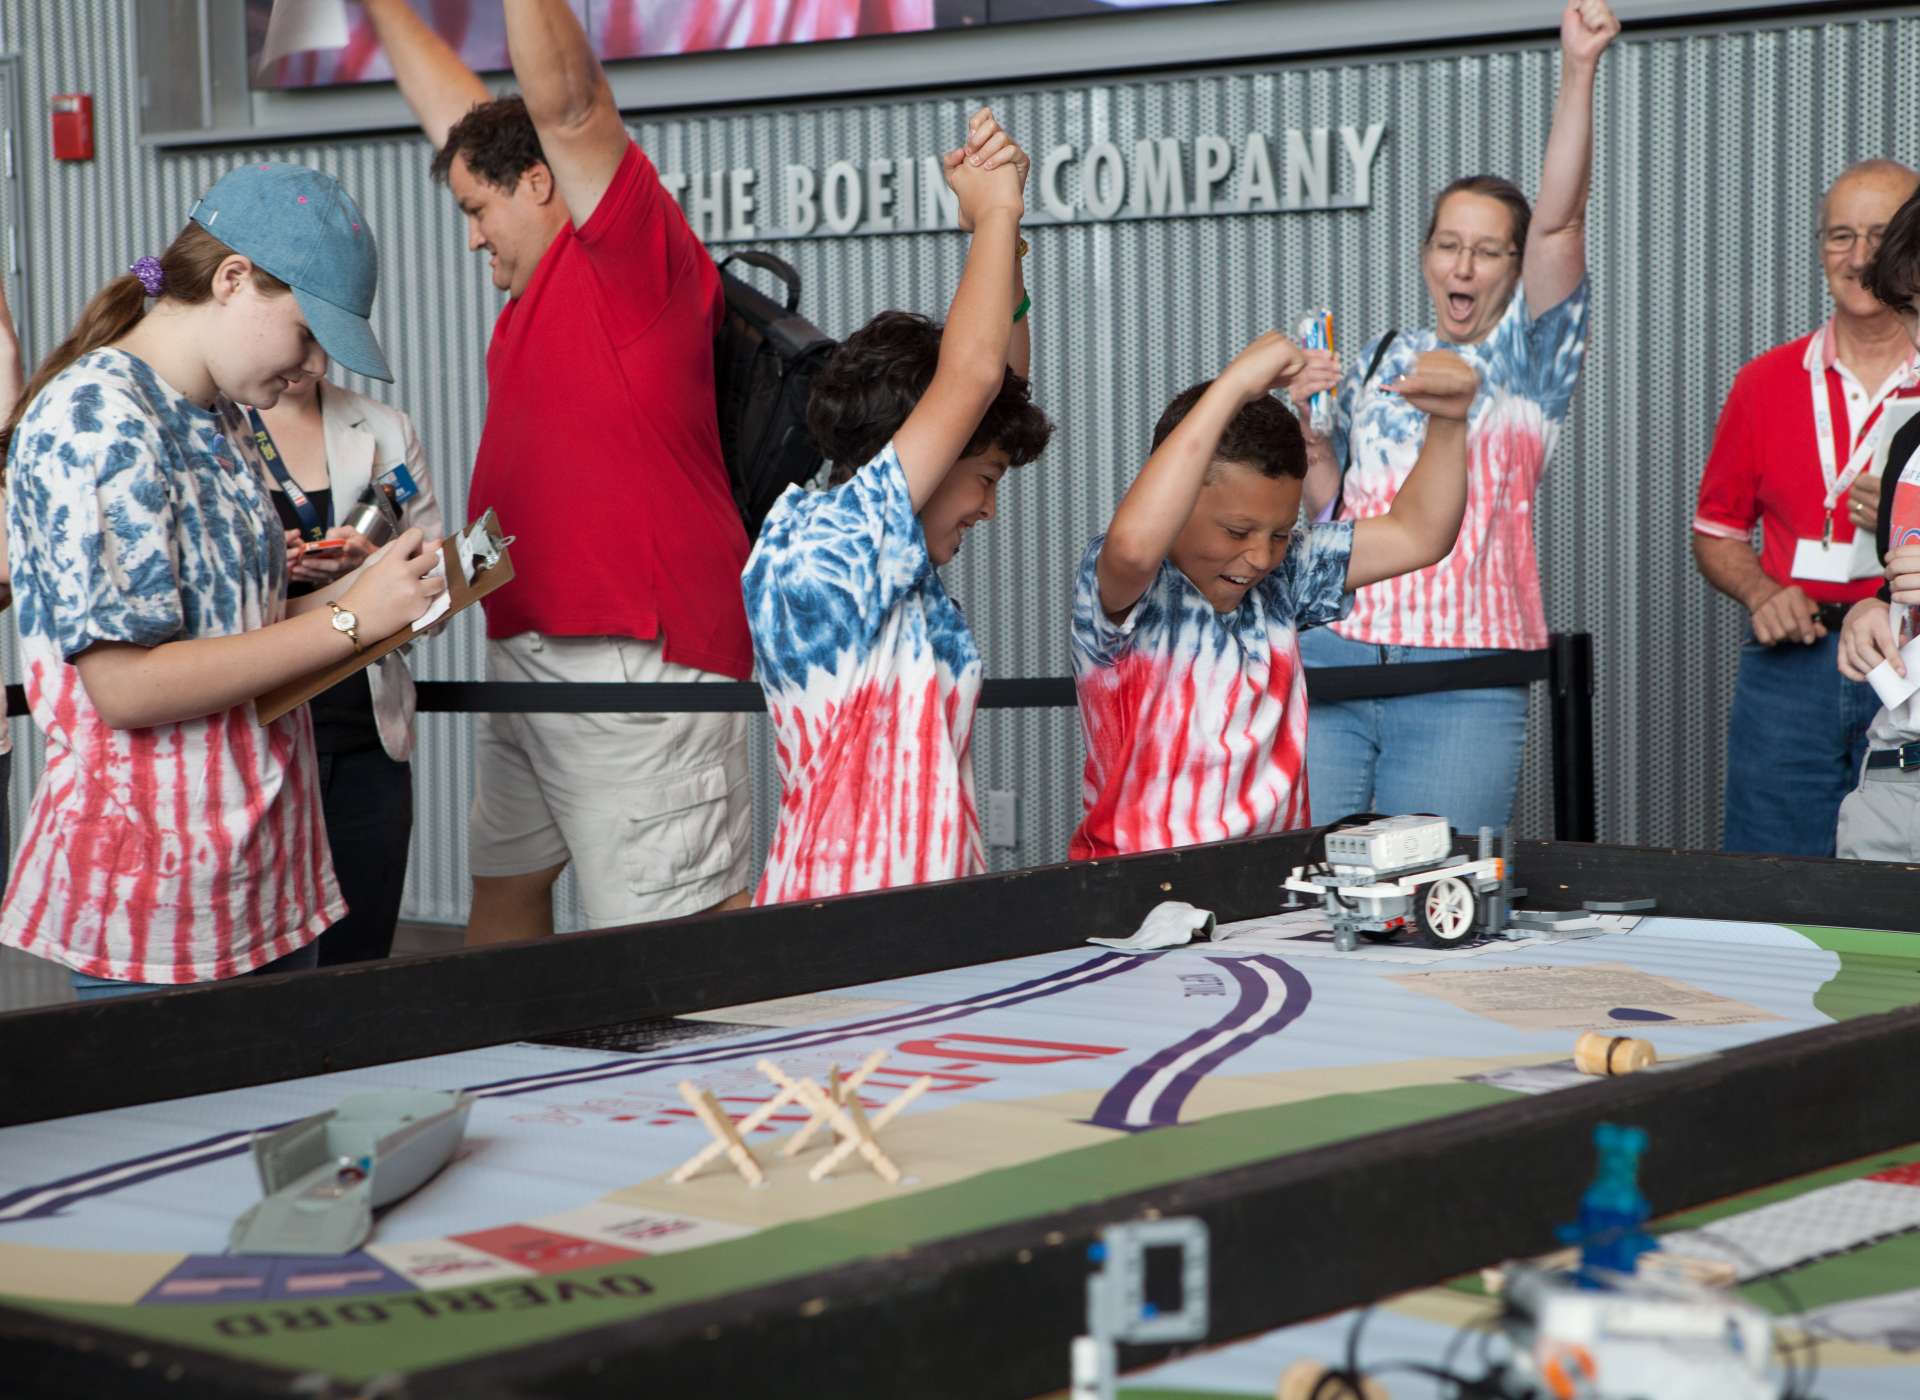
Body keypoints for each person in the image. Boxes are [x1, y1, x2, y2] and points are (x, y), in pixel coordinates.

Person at [360, 0, 756, 940]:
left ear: (539, 182)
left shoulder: (625, 261)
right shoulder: (534, 295)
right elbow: (465, 122)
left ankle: (708, 1092)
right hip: (527, 644)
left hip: (635, 660)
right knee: (502, 891)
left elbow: (571, 107)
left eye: (477, 210)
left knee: (670, 932)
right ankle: (513, 1087)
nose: (471, 237)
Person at [0, 163, 444, 998]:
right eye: (308, 334)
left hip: (265, 872)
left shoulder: (225, 416)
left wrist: (367, 596)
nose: (311, 367)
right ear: (233, 279)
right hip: (158, 899)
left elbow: (238, 624)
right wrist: (347, 622)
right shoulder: (96, 418)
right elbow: (126, 686)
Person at [1296, 0, 1617, 834]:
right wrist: (1307, 442)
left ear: (1515, 266)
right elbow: (1333, 512)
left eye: (1487, 248)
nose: (1463, 264)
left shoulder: (1531, 361)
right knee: (1297, 895)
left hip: (1461, 674)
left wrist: (1578, 68)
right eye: (1448, 243)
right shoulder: (1377, 355)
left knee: (1434, 900)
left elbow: (1561, 221)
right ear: (1425, 254)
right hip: (1331, 656)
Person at [743, 110, 1050, 904]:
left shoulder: (891, 562)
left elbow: (995, 383)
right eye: (983, 477)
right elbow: (974, 378)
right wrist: (995, 211)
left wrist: (1004, 246)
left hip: (933, 930)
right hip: (842, 943)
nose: (987, 508)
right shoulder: (825, 543)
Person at [1071, 337, 1479, 859]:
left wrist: (1451, 423)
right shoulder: (1126, 586)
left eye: (1281, 532)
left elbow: (1419, 534)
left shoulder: (1286, 574)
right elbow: (1131, 548)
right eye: (1236, 530)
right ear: (1174, 501)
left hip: (1269, 893)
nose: (1261, 556)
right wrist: (1234, 385)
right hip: (1133, 894)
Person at [1693, 161, 1920, 856]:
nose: (1858, 258)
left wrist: (1903, 515)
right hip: (1795, 663)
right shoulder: (1764, 381)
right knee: (1772, 878)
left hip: (1908, 655)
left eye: (1880, 236)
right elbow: (1716, 530)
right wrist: (1762, 591)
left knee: (1890, 892)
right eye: (1839, 236)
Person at [257, 358, 446, 964]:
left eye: (323, 340)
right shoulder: (214, 428)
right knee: (264, 978)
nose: (309, 361)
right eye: (299, 335)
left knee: (357, 965)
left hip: (366, 741)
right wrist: (268, 573)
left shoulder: (384, 429)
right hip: (259, 738)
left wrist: (375, 569)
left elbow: (437, 593)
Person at [1835, 183, 1920, 862]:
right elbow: (1900, 593)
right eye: (1912, 311)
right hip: (1892, 775)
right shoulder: (1909, 441)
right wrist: (1874, 612)